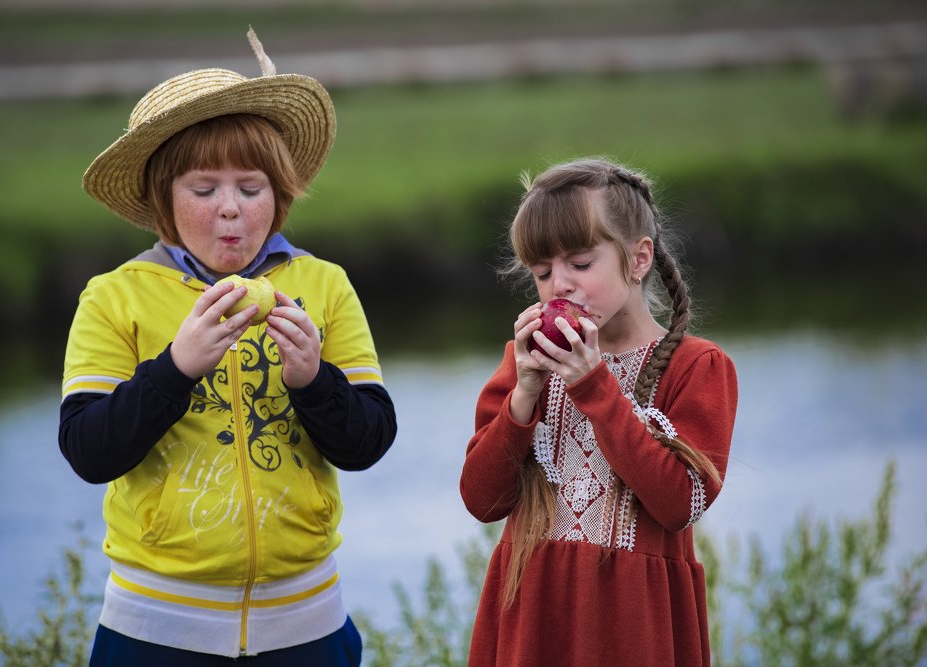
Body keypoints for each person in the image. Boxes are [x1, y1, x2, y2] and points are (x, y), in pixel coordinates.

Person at [59, 29, 396, 665]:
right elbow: (88, 451)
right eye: (204, 189)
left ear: (280, 192)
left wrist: (313, 380)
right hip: (153, 628)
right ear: (163, 197)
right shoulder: (113, 297)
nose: (231, 211)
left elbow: (370, 440)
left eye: (251, 186)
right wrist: (176, 368)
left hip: (308, 622)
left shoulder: (323, 286)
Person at [460, 158, 738, 666]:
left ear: (638, 259)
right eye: (542, 272)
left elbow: (679, 503)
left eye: (580, 264)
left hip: (634, 626)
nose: (558, 285)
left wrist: (594, 387)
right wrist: (523, 396)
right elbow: (482, 501)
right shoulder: (526, 363)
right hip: (533, 616)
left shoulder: (696, 367)